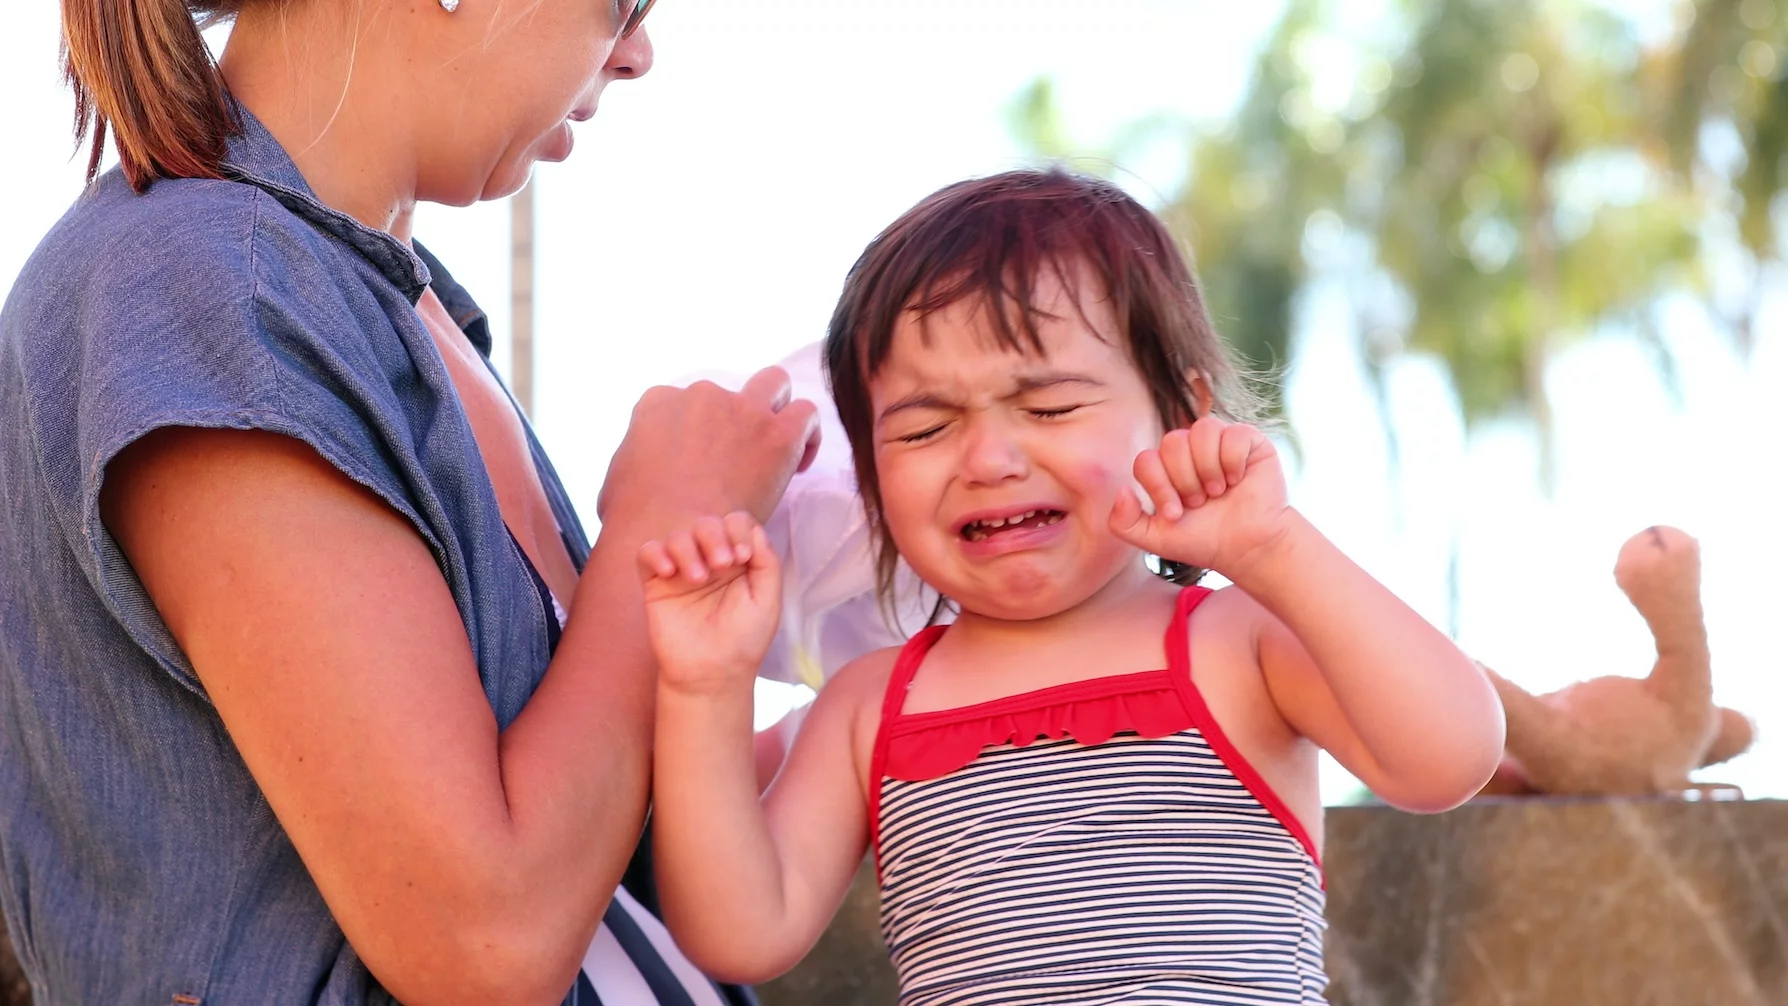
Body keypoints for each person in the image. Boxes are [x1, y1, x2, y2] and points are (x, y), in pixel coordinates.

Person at [0, 0, 818, 1003]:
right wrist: (659, 526)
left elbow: (587, 821)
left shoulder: (398, 301)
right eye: (622, 4)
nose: (638, 52)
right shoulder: (203, 285)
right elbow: (487, 941)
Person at [638, 169, 1507, 1004]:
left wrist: (1276, 548)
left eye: (1049, 409)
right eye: (926, 428)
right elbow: (742, 935)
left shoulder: (1237, 640)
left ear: (1179, 415)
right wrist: (704, 686)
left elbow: (1447, 757)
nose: (988, 460)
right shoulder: (870, 706)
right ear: (869, 476)